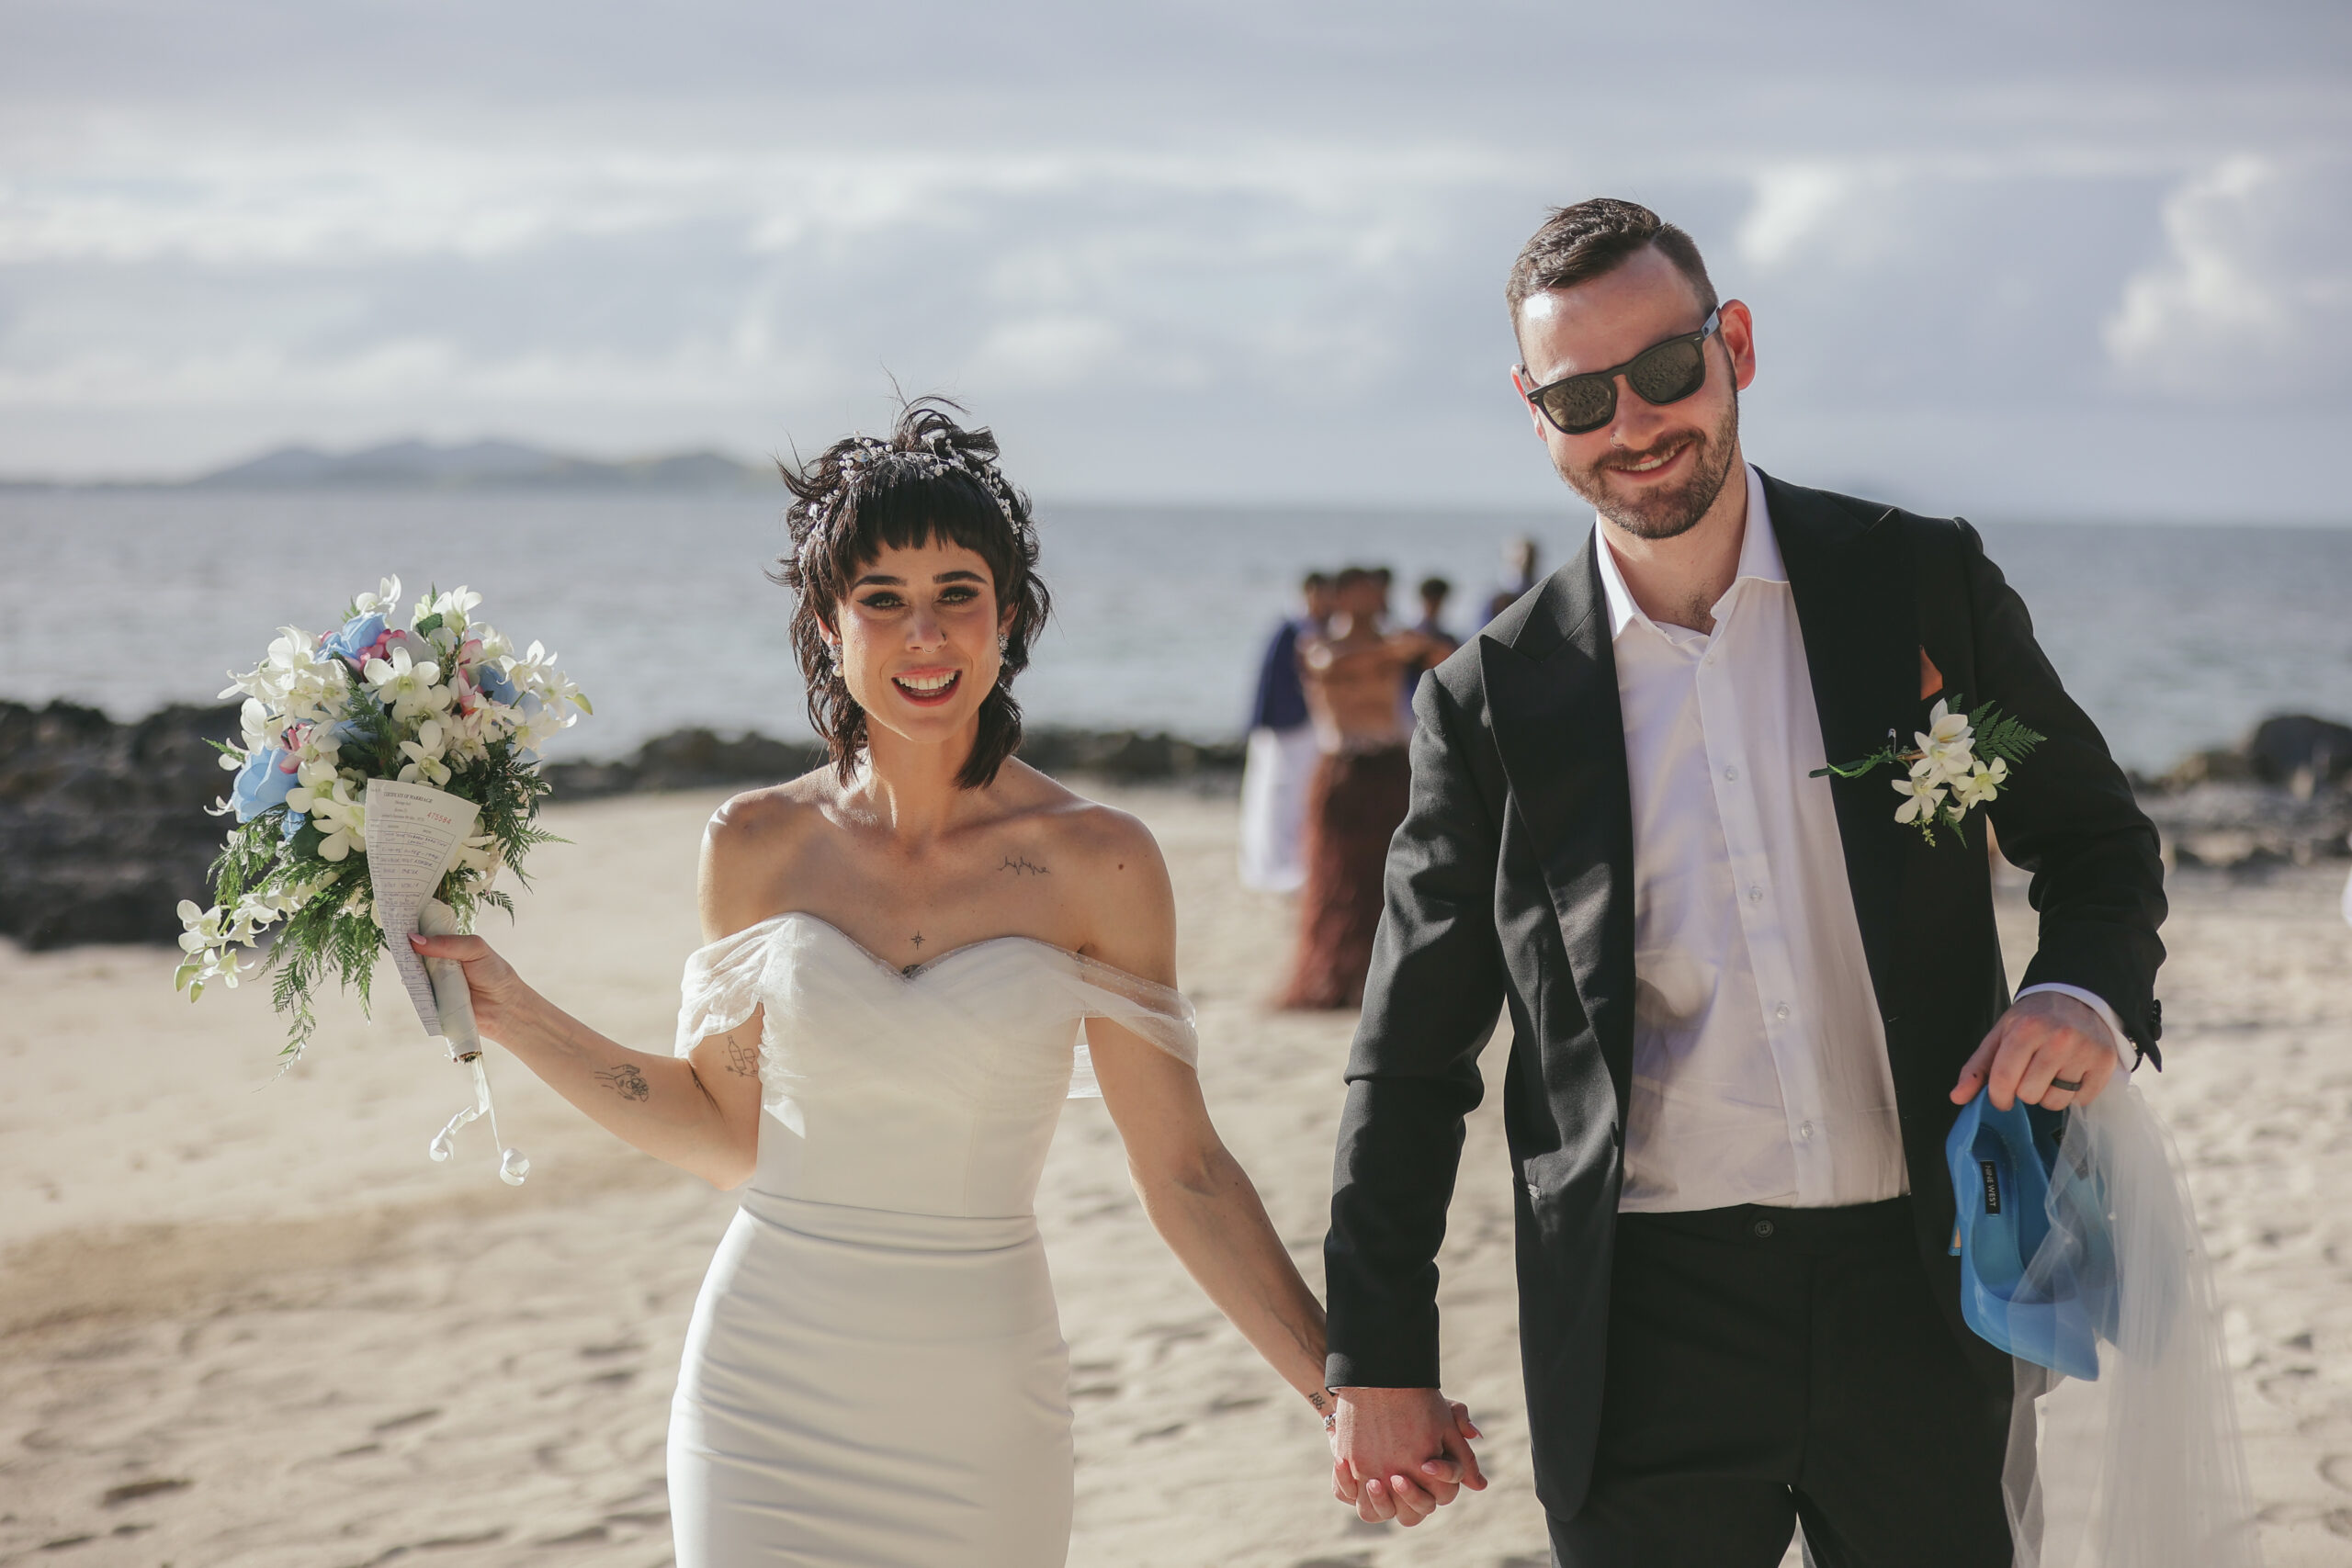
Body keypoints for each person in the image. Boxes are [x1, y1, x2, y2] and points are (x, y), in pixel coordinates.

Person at [1321, 199, 2167, 1566]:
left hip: (1923, 1285)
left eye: (1666, 369)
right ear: (1534, 414)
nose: (1634, 423)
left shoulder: (1918, 582)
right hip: (1640, 1326)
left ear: (1737, 346)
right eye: (1582, 397)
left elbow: (2096, 841)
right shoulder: (1486, 705)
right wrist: (1377, 1355)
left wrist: (2076, 989)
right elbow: (1410, 1055)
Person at [412, 402, 1402, 1567]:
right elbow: (723, 1132)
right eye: (880, 598)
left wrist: (1339, 1391)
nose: (922, 636)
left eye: (956, 594)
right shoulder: (756, 843)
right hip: (760, 1392)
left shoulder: (1101, 861)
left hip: (982, 1404)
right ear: (826, 624)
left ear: (1009, 617)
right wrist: (511, 1010)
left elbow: (1182, 1169)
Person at [1280, 566, 1443, 1010]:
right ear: (1340, 597)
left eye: (1373, 592)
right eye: (1359, 593)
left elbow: (1449, 660)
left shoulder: (1400, 642)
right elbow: (1331, 666)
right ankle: (1341, 975)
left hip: (1391, 765)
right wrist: (1394, 651)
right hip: (1345, 770)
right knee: (1341, 878)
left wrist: (1416, 647)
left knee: (1396, 874)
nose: (1369, 601)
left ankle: (1397, 971)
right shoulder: (1319, 645)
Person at [1238, 571, 1329, 893]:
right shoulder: (1288, 630)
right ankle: (1271, 866)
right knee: (1274, 795)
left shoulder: (1318, 629)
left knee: (1299, 794)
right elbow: (1271, 684)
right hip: (1283, 727)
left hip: (1306, 727)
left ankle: (1291, 862)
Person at [1487, 535, 1541, 621]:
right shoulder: (1498, 598)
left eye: (1531, 558)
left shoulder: (1539, 589)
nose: (1526, 561)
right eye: (1522, 558)